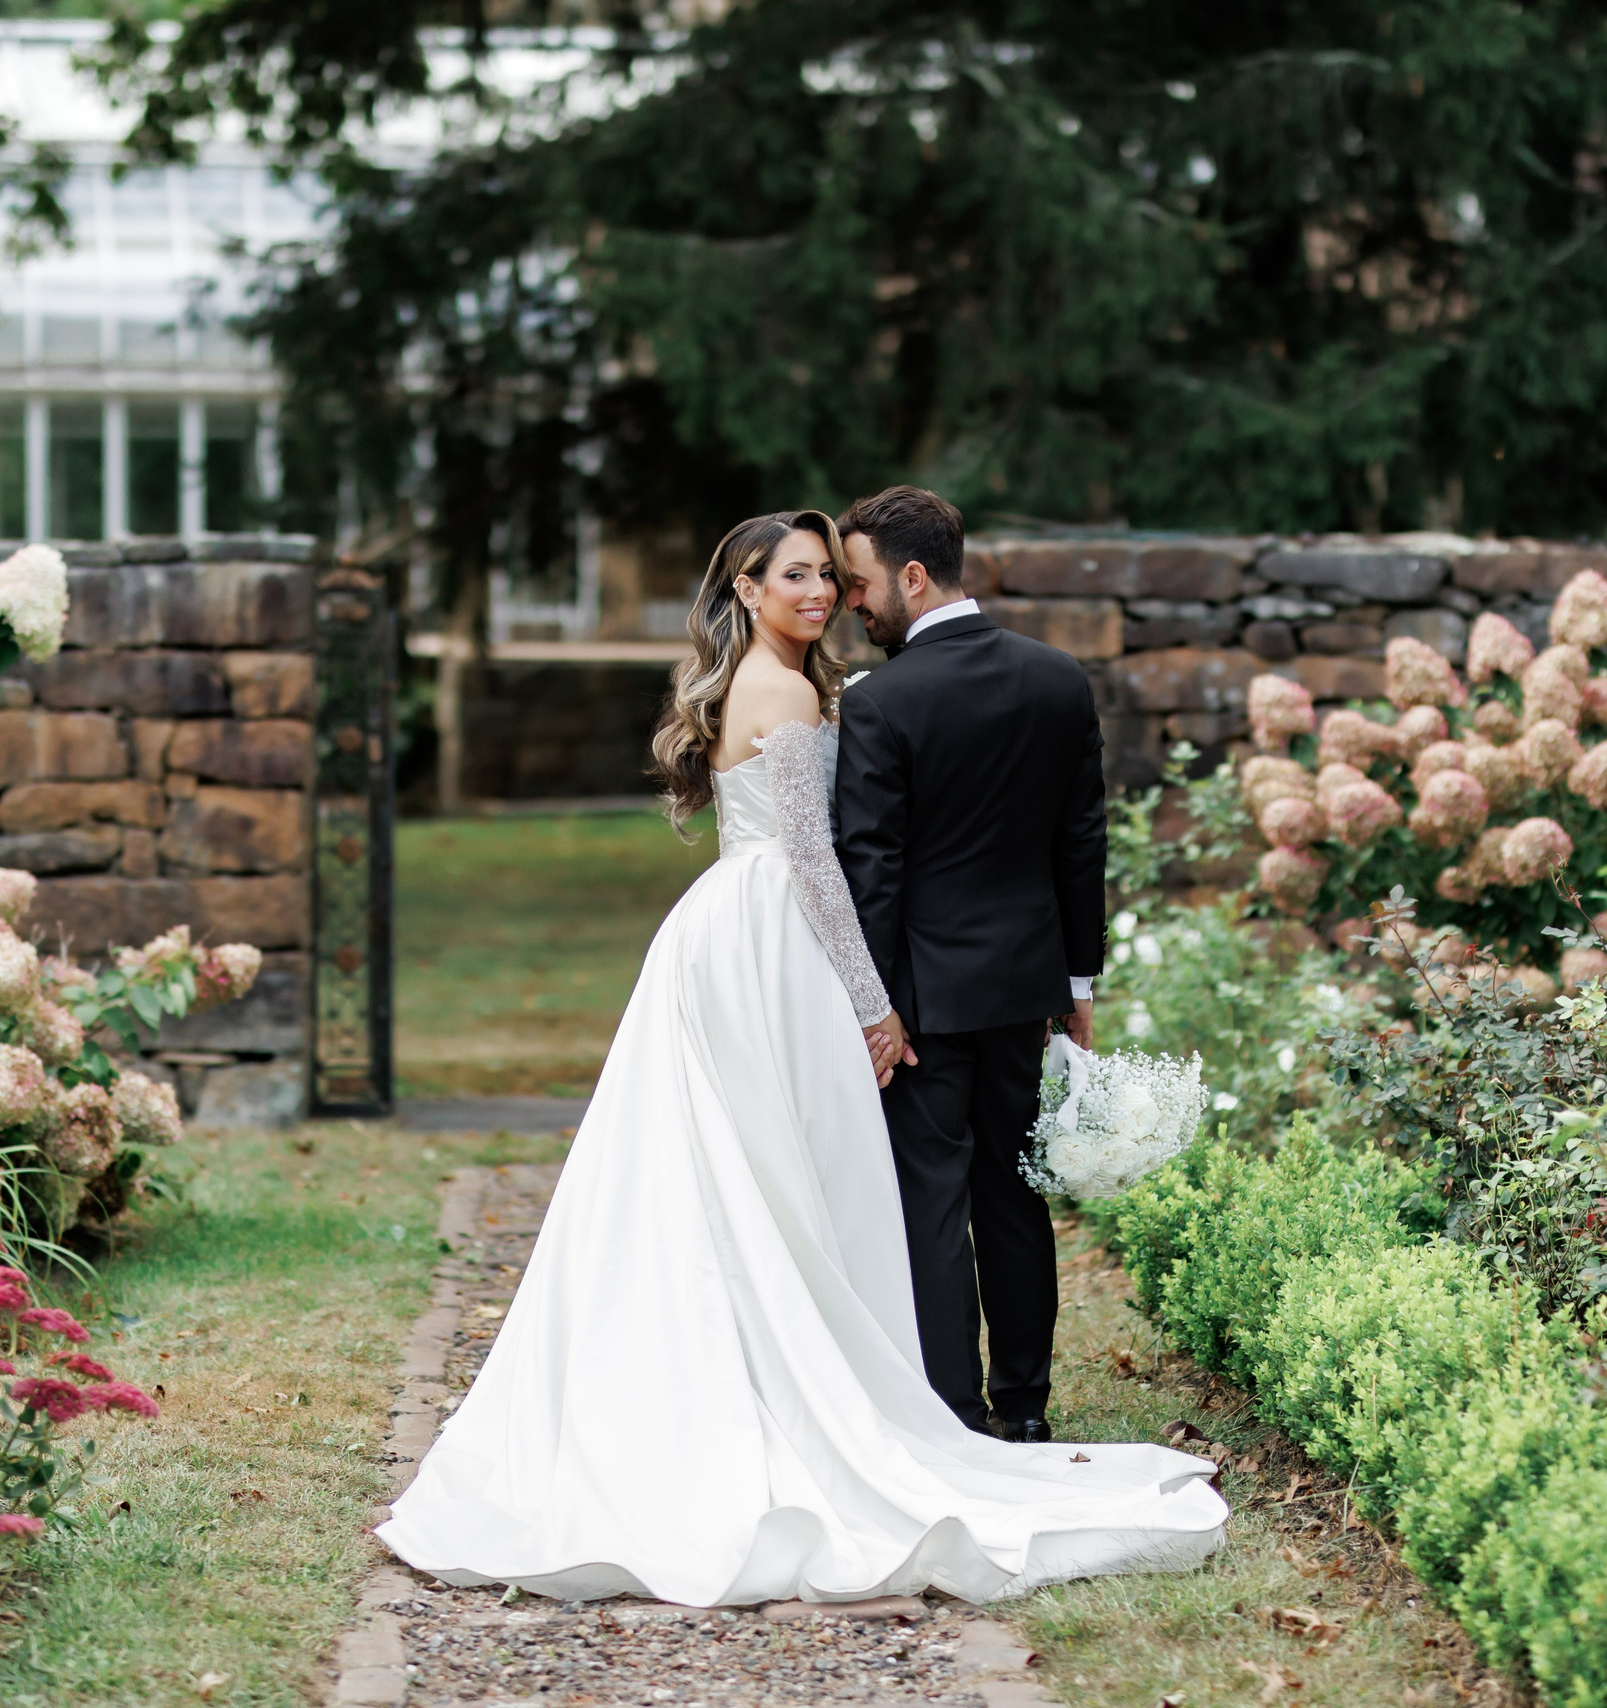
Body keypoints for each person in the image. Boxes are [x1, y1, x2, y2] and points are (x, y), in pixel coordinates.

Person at [375, 509, 1223, 1607]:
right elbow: (826, 866)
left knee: (791, 1174)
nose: (825, 593)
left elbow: (851, 855)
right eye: (799, 576)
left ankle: (883, 1386)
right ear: (744, 588)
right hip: (782, 941)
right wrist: (880, 1006)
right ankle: (901, 1398)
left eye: (833, 574)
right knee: (786, 1169)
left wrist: (876, 996)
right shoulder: (804, 691)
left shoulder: (836, 691)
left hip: (776, 934)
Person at [831, 484, 1100, 1443]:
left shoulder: (878, 705)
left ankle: (953, 1414)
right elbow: (1081, 843)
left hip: (922, 1004)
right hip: (1024, 989)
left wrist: (875, 1005)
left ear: (912, 576)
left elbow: (874, 869)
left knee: (933, 1201)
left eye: (859, 585)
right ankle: (1025, 1410)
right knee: (1014, 1194)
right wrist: (1078, 986)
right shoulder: (1059, 679)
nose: (850, 605)